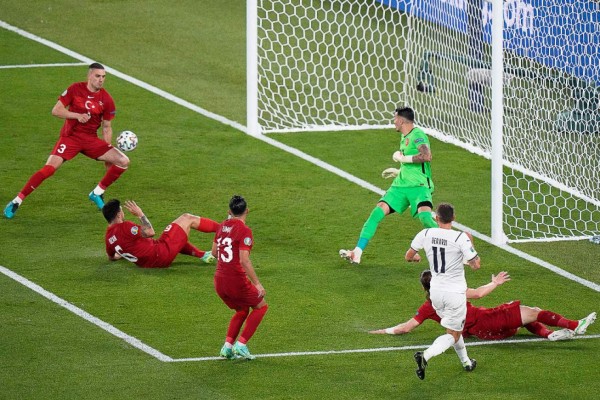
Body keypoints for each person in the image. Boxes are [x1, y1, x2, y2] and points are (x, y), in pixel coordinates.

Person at [4, 63, 129, 219]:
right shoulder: (75, 89)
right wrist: (76, 115)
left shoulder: (106, 99)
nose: (101, 80)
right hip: (70, 138)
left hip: (90, 140)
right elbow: (56, 110)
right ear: (89, 76)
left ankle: (97, 193)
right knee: (49, 169)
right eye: (97, 76)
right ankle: (17, 201)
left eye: (103, 77)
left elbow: (107, 127)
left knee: (123, 160)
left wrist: (107, 147)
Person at [369, 270, 596, 342]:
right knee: (534, 311)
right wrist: (495, 282)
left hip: (481, 333)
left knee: (523, 318)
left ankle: (550, 335)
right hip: (485, 320)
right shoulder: (451, 289)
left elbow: (405, 328)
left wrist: (380, 330)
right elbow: (477, 293)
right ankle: (576, 325)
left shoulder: (428, 306)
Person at [339, 106, 436, 265]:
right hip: (400, 186)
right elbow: (411, 163)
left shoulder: (418, 135)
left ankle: (456, 244)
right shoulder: (404, 136)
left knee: (425, 218)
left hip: (419, 186)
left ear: (402, 120)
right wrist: (399, 172)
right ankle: (357, 252)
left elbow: (426, 156)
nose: (393, 121)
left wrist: (402, 159)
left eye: (395, 118)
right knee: (376, 213)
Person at [404, 202, 480, 380]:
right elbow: (476, 265)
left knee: (455, 329)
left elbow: (409, 256)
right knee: (452, 334)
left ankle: (466, 362)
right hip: (455, 294)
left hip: (435, 293)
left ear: (436, 218)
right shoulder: (460, 237)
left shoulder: (426, 233)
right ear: (453, 218)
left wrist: (416, 258)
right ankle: (425, 356)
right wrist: (471, 247)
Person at [212, 195, 268, 360]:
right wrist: (257, 284)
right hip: (235, 280)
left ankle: (227, 347)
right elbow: (244, 260)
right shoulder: (245, 231)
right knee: (261, 307)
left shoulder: (222, 226)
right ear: (247, 211)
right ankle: (241, 344)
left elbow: (215, 252)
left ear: (229, 211)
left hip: (219, 280)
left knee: (242, 309)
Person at [103, 199, 218, 268]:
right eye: (121, 210)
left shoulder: (108, 238)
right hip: (160, 254)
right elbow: (150, 232)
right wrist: (140, 214)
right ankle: (223, 228)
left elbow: (111, 257)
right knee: (187, 218)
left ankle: (202, 255)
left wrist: (123, 254)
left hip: (147, 264)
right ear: (118, 215)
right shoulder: (125, 226)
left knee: (175, 235)